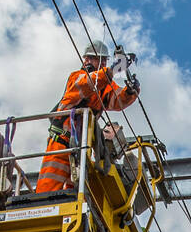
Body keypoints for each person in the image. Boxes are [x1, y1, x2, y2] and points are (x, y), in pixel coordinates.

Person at [36, 40, 140, 192]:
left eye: (105, 60)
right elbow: (87, 84)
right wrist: (111, 71)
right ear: (88, 60)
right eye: (101, 60)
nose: (104, 63)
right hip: (61, 143)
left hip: (80, 149)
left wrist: (130, 91)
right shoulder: (77, 77)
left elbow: (117, 100)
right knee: (47, 191)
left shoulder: (104, 86)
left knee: (74, 193)